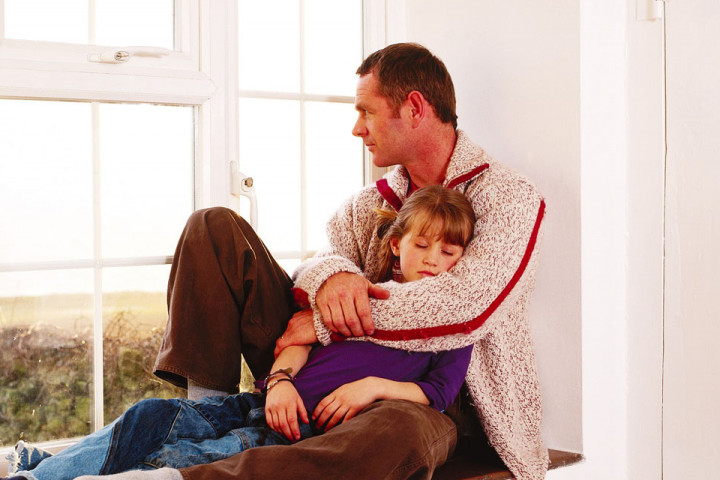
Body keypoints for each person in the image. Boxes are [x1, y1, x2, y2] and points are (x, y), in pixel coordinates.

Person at [153, 42, 548, 480]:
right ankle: (208, 416)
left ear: (414, 108)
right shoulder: (367, 204)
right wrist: (331, 278)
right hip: (318, 366)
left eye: (367, 111)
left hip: (431, 398)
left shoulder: (509, 196)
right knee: (213, 226)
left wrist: (322, 322)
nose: (357, 128)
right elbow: (315, 262)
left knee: (392, 436)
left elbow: (466, 305)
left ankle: (188, 477)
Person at [5, 186, 477, 480]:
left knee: (187, 454)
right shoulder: (363, 296)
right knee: (149, 417)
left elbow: (437, 391)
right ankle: (35, 471)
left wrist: (371, 387)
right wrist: (281, 383)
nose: (434, 259)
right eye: (422, 244)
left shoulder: (456, 325)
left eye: (449, 252)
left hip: (300, 434)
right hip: (263, 405)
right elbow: (295, 342)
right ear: (396, 245)